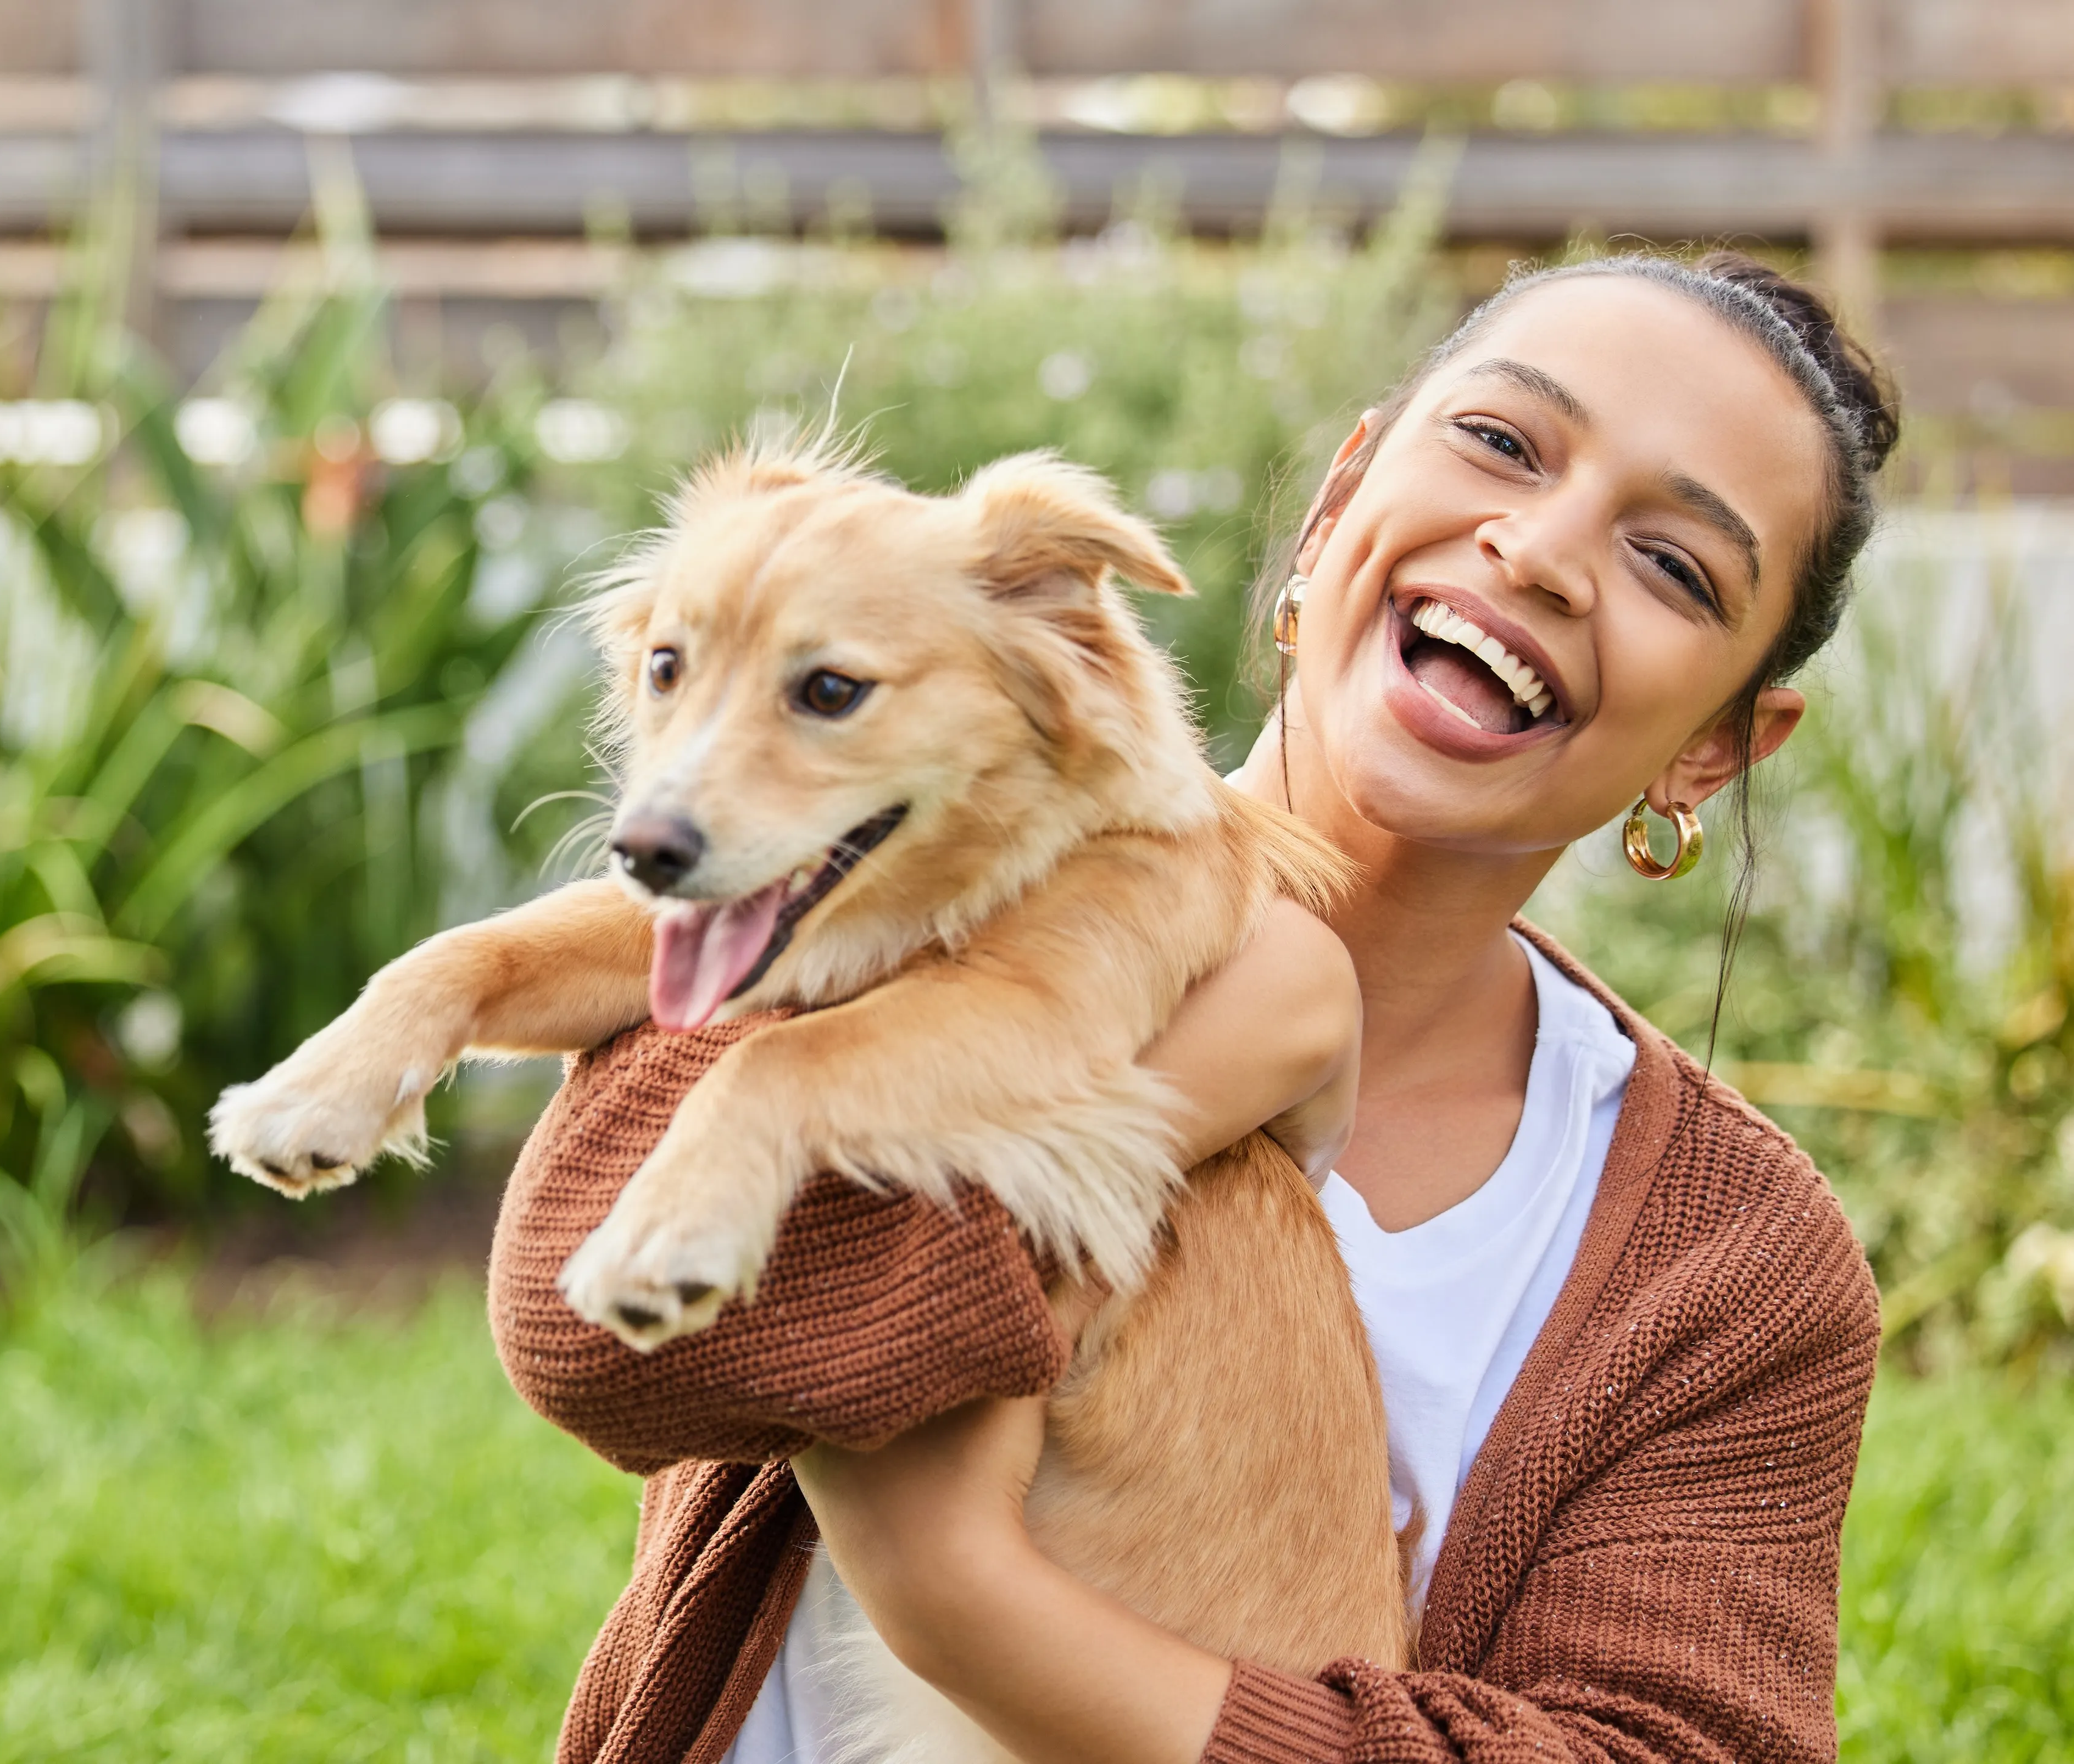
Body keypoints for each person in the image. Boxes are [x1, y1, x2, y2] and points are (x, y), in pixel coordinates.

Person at [485, 249, 1897, 1764]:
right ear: (1336, 503)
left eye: (1676, 564)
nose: (1540, 550)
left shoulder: (1735, 1267)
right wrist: (1211, 1065)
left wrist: (964, 1598)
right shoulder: (877, 871)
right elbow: (604, 1336)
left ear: (1718, 751)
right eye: (1499, 441)